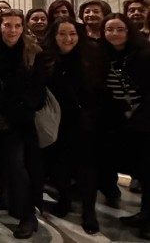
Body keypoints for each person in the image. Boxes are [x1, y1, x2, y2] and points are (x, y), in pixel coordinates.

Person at [38, 17, 102, 234]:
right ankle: (64, 200)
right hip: (56, 121)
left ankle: (89, 211)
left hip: (83, 122)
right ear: (54, 36)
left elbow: (98, 89)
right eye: (62, 34)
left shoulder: (90, 56)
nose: (68, 38)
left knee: (86, 167)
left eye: (72, 34)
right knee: (60, 165)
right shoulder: (45, 58)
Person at [0, 9, 45, 239]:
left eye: (17, 25)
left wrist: (18, 109)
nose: (12, 30)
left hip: (21, 121)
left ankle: (28, 215)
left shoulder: (33, 52)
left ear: (23, 28)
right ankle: (7, 195)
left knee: (18, 165)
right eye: (7, 25)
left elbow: (38, 90)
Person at [99, 14, 150, 239]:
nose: (114, 34)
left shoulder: (144, 55)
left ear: (129, 31)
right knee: (142, 169)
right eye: (109, 29)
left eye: (119, 29)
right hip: (122, 121)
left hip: (145, 118)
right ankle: (145, 213)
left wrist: (138, 113)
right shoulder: (104, 55)